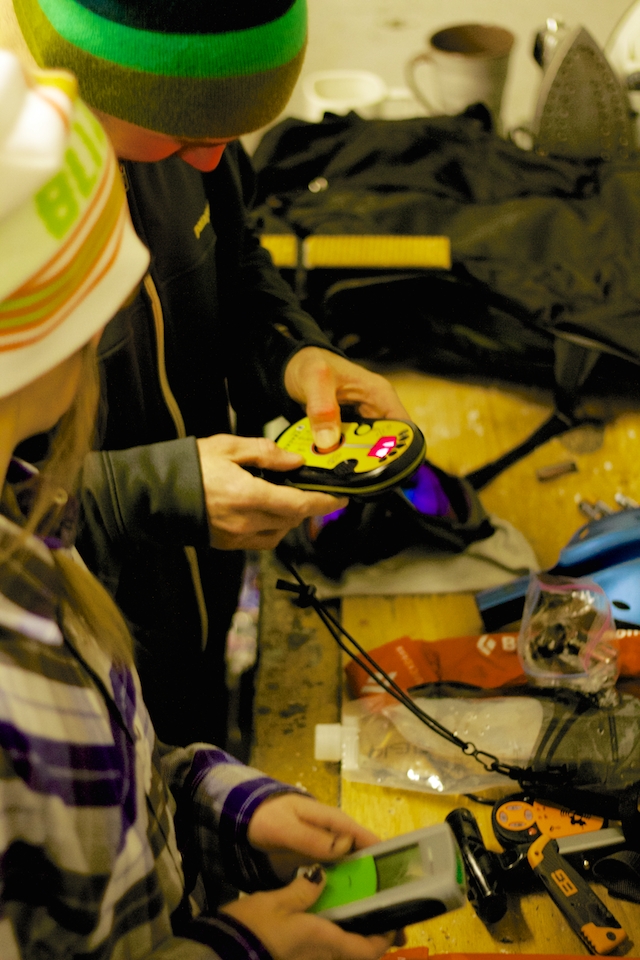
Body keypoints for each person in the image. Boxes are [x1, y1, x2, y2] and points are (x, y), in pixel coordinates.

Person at [0, 49, 404, 960]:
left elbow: (119, 780)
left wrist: (227, 805)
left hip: (189, 637)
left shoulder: (40, 571)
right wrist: (241, 949)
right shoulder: (25, 670)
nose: (211, 159)